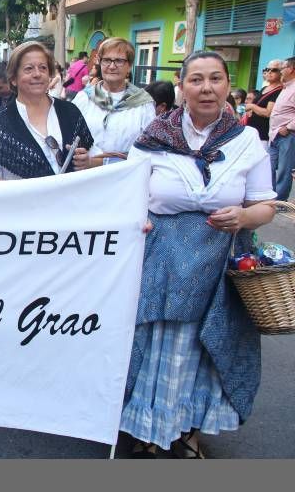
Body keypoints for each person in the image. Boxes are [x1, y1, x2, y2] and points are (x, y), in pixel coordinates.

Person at [123, 50, 275, 459]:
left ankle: (188, 430)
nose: (206, 88)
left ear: (228, 85)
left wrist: (244, 215)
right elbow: (127, 196)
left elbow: (266, 205)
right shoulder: (155, 136)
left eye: (215, 79)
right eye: (196, 80)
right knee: (155, 341)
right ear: (182, 87)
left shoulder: (247, 142)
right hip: (160, 257)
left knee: (203, 347)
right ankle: (146, 429)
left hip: (218, 258)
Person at [0, 42, 93, 181]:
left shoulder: (70, 112)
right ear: (13, 78)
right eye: (29, 69)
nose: (37, 74)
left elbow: (95, 157)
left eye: (43, 68)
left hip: (71, 200)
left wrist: (88, 162)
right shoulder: (0, 122)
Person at [72, 37, 155, 166]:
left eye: (119, 61)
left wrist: (101, 162)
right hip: (86, 176)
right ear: (100, 63)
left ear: (129, 66)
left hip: (125, 176)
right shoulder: (84, 98)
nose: (112, 66)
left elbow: (149, 150)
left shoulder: (143, 104)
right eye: (106, 60)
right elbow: (69, 137)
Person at [267, 56, 295, 200]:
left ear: (291, 69)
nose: (280, 71)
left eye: (283, 68)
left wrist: (288, 127)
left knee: (284, 169)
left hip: (287, 135)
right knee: (268, 166)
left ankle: (280, 200)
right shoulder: (286, 87)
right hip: (275, 134)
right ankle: (269, 197)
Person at [245, 60, 283, 145]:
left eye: (274, 70)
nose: (269, 72)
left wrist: (252, 107)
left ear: (281, 72)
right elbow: (253, 106)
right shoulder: (264, 88)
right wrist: (250, 109)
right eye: (267, 69)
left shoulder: (279, 90)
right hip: (252, 132)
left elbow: (268, 113)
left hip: (263, 135)